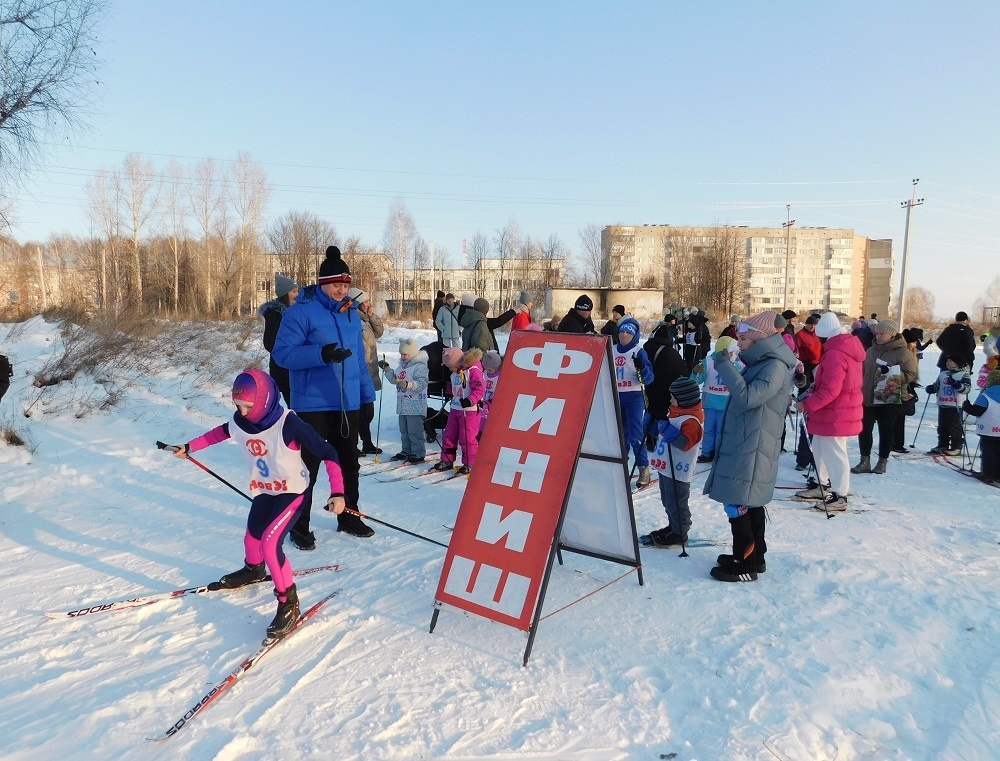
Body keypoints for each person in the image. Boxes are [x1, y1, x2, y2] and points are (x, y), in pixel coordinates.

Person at [171, 370, 345, 639]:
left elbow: (328, 452)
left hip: (292, 492)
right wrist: (189, 446)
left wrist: (338, 492)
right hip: (265, 491)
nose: (241, 412)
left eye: (247, 406)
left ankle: (288, 602)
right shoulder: (240, 422)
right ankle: (253, 569)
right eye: (237, 405)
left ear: (264, 400)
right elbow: (219, 433)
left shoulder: (288, 423)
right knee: (252, 537)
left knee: (269, 543)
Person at [272, 245, 375, 546]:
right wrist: (321, 354)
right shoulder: (300, 312)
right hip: (313, 405)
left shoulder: (351, 314)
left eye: (345, 284)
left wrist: (366, 397)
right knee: (308, 467)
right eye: (335, 284)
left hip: (347, 403)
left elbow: (359, 360)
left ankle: (349, 516)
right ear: (322, 283)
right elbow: (282, 354)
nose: (341, 290)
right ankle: (299, 526)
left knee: (349, 464)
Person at [704, 311, 797, 582]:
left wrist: (724, 365)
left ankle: (745, 562)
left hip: (754, 444)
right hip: (748, 439)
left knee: (739, 502)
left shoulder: (774, 366)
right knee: (747, 499)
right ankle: (755, 556)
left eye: (744, 338)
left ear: (760, 338)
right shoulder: (762, 363)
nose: (739, 342)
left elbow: (747, 398)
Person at [793, 313, 865, 511]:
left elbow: (831, 389)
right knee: (819, 448)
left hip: (837, 412)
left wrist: (807, 404)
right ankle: (821, 484)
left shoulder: (836, 354)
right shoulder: (840, 349)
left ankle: (840, 495)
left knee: (835, 453)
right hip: (830, 411)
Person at [851, 319, 918, 476]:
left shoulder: (902, 352)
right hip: (867, 396)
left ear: (892, 334)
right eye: (877, 333)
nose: (879, 336)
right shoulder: (870, 350)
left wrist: (893, 373)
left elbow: (911, 374)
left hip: (888, 398)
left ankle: (882, 462)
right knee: (864, 429)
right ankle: (864, 461)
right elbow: (862, 370)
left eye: (882, 334)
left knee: (886, 430)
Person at [645, 376, 704, 546]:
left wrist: (667, 428)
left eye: (673, 398)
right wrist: (652, 426)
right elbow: (664, 434)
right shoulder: (676, 412)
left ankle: (680, 532)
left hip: (678, 469)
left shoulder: (691, 420)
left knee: (677, 501)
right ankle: (673, 526)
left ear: (684, 399)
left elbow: (685, 444)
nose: (670, 400)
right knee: (668, 499)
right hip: (666, 466)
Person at [615, 317, 656, 486]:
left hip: (634, 397)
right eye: (622, 332)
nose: (624, 335)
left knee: (636, 436)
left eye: (628, 333)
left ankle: (643, 468)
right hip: (616, 397)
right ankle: (620, 467)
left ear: (634, 336)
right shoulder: (612, 349)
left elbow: (649, 379)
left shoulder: (638, 351)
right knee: (619, 436)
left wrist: (643, 368)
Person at [432, 346, 485, 474]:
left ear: (457, 361)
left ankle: (469, 463)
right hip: (455, 408)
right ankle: (447, 459)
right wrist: (447, 388)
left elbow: (480, 389)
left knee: (467, 437)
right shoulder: (455, 373)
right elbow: (455, 388)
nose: (450, 369)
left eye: (450, 366)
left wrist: (470, 400)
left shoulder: (473, 370)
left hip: (470, 410)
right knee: (449, 435)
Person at [692, 335, 742, 463]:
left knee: (722, 430)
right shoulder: (708, 361)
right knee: (709, 430)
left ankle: (719, 452)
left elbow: (740, 381)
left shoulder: (734, 363)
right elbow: (696, 380)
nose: (733, 355)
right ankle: (707, 453)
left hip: (726, 404)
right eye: (731, 352)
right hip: (710, 402)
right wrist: (695, 372)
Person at [379, 338, 429, 464]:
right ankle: (406, 450)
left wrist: (408, 384)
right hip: (402, 405)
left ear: (412, 353)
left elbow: (422, 383)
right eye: (401, 354)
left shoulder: (419, 367)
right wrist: (387, 369)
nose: (403, 357)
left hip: (415, 405)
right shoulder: (402, 367)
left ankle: (418, 452)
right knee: (404, 431)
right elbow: (394, 380)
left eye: (405, 354)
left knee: (414, 431)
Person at [351, 287, 384, 456]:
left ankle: (367, 443)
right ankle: (353, 445)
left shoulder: (365, 319)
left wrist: (372, 316)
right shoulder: (353, 319)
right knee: (358, 410)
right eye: (365, 301)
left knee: (368, 410)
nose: (368, 304)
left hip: (369, 370)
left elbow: (379, 332)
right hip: (359, 369)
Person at [258, 274, 300, 406]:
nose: (297, 294)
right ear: (284, 294)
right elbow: (270, 343)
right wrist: (288, 352)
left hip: (295, 367)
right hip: (284, 369)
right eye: (294, 291)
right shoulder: (275, 314)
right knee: (295, 406)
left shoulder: (294, 312)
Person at [926, 355, 972, 456]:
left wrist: (957, 384)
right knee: (942, 427)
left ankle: (956, 447)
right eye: (947, 361)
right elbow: (937, 385)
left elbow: (967, 389)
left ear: (957, 363)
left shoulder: (963, 375)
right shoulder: (943, 374)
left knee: (955, 427)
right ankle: (943, 444)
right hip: (943, 404)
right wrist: (932, 388)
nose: (947, 363)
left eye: (950, 361)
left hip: (955, 405)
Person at [962, 368, 1000, 484]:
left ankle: (988, 474)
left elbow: (977, 411)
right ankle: (998, 474)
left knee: (988, 452)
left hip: (988, 429)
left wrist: (966, 406)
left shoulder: (986, 395)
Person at [478, 349, 502, 439]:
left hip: (492, 403)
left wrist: (492, 400)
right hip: (483, 401)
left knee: (489, 420)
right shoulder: (484, 373)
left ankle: (487, 436)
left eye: (490, 370)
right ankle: (479, 434)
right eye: (485, 368)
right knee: (480, 418)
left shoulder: (499, 377)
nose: (487, 371)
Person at [794, 314, 822, 386]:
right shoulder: (799, 335)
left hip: (817, 363)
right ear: (806, 324)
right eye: (810, 325)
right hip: (806, 363)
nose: (812, 327)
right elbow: (796, 350)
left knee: (817, 383)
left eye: (814, 325)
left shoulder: (818, 334)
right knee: (806, 384)